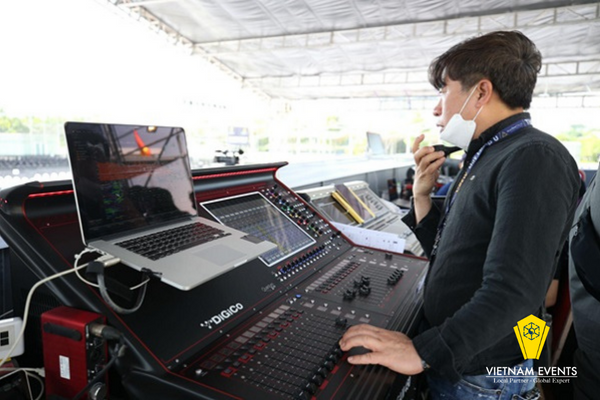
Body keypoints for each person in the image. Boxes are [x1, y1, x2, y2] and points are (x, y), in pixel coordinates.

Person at [339, 30, 581, 400]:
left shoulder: (534, 157)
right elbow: (454, 251)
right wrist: (422, 195)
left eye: (444, 90)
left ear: (480, 92)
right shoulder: (487, 155)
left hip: (481, 375)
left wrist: (423, 352)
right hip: (461, 361)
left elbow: (513, 291)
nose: (437, 109)